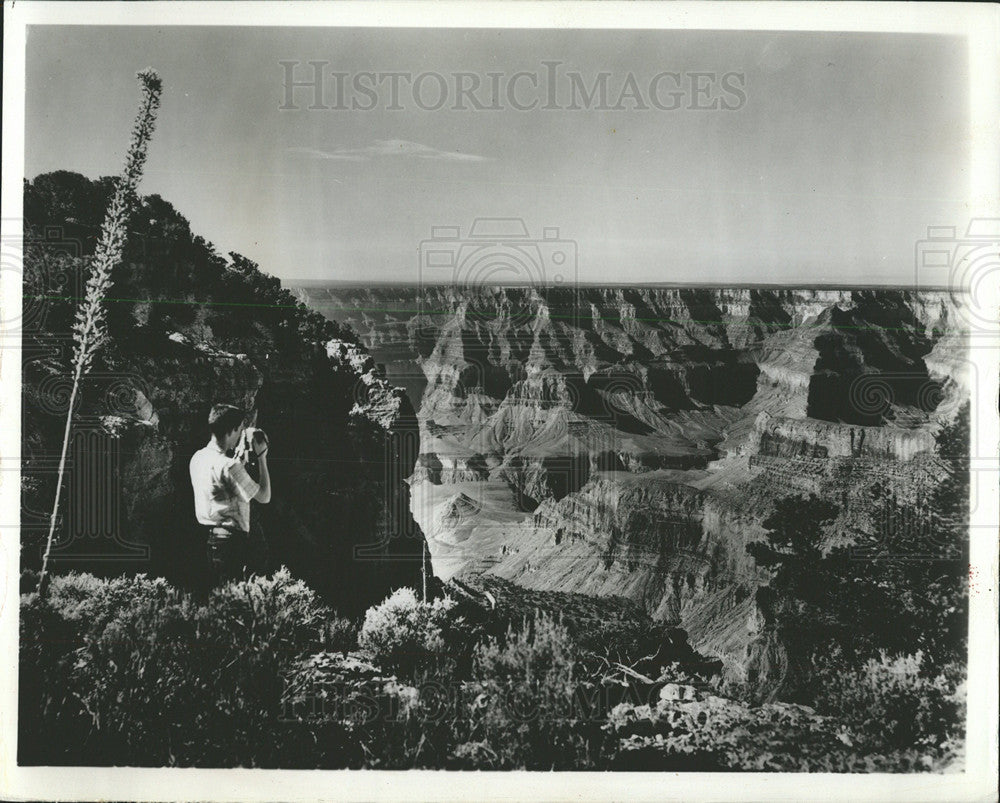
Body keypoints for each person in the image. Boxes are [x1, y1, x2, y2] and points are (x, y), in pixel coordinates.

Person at [189, 404, 271, 585]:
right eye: (240, 429)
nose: (241, 434)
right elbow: (264, 497)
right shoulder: (231, 466)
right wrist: (262, 457)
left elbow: (222, 487)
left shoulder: (197, 458)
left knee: (220, 598)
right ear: (232, 430)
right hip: (233, 543)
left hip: (210, 539)